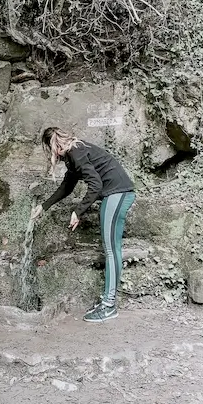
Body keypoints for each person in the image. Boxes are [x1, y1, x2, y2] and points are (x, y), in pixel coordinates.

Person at [30, 127, 136, 322]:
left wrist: (77, 212)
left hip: (118, 193)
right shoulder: (74, 155)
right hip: (114, 194)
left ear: (52, 147)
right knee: (111, 250)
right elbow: (67, 186)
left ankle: (109, 306)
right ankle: (107, 301)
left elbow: (96, 185)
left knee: (111, 251)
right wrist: (43, 207)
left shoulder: (76, 152)